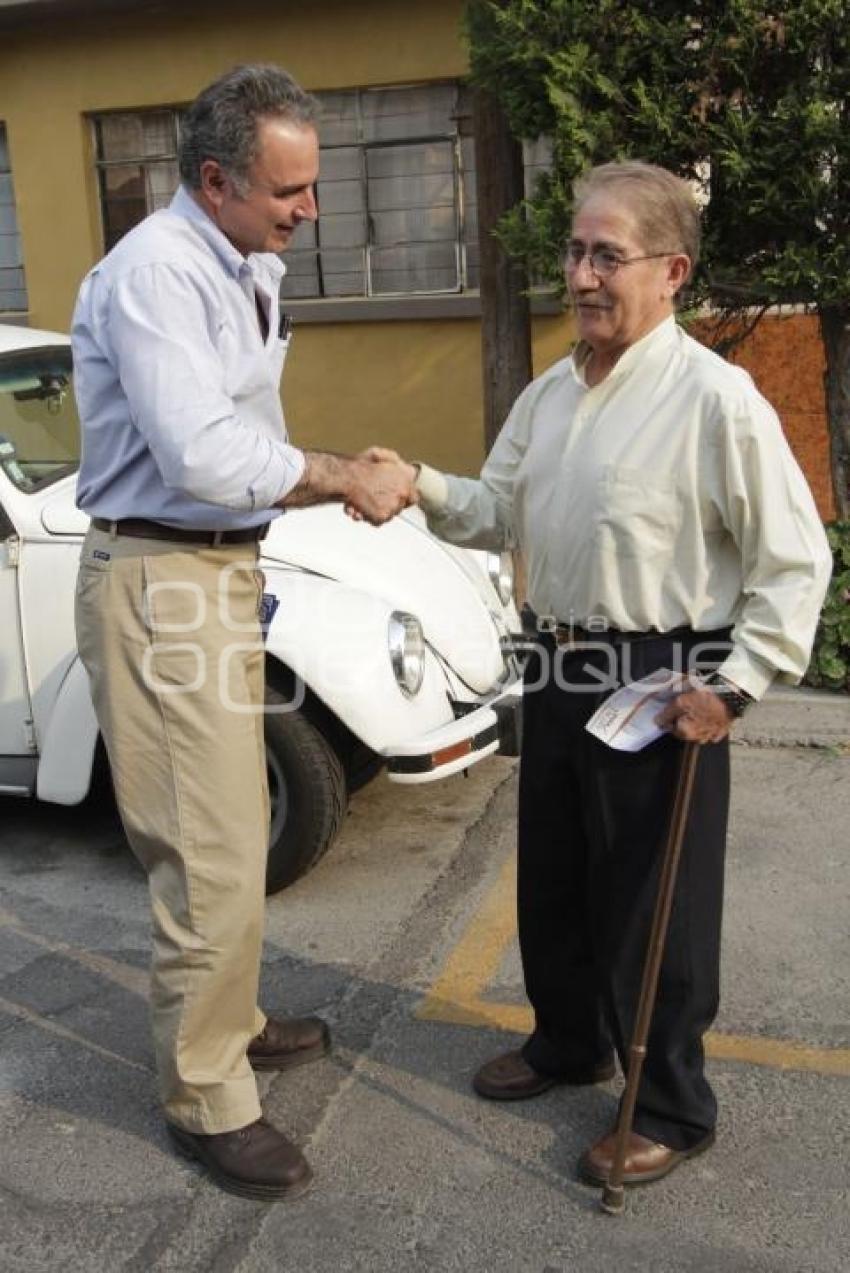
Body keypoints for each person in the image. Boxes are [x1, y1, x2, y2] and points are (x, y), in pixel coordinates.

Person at [394, 161, 832, 1187]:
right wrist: (410, 483)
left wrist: (732, 684)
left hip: (659, 674)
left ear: (671, 270)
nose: (581, 274)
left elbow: (793, 556)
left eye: (607, 255)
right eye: (575, 252)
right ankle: (567, 1041)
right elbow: (494, 505)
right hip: (555, 656)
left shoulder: (715, 400)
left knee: (653, 899)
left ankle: (673, 1104)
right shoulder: (551, 392)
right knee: (553, 873)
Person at [72, 64, 414, 1201]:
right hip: (163, 573)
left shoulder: (244, 262)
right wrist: (336, 476)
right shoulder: (155, 276)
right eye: (288, 189)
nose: (307, 210)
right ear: (214, 179)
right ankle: (206, 1091)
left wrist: (305, 488)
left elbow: (238, 429)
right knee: (208, 846)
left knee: (225, 836)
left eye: (312, 188)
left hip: (214, 575)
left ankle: (232, 1017)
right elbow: (206, 456)